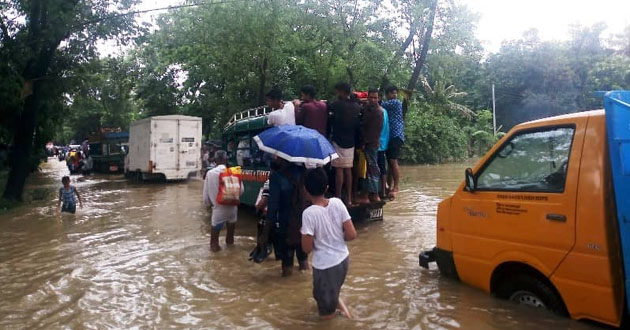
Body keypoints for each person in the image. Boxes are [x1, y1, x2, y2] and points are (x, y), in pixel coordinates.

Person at [301, 168, 357, 320]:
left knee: (326, 315)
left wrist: (305, 234)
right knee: (323, 294)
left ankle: (347, 320)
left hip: (326, 266)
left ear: (305, 190)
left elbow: (306, 249)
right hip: (343, 260)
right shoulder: (337, 203)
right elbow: (352, 234)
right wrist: (335, 237)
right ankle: (347, 315)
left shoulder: (309, 214)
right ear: (326, 187)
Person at [267, 157, 309, 276]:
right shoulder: (303, 172)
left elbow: (272, 207)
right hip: (303, 225)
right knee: (304, 262)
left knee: (287, 267)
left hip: (285, 227)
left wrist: (266, 233)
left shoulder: (277, 177)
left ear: (282, 157)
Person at [203, 150, 244, 252]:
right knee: (230, 240)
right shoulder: (233, 172)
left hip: (218, 209)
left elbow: (206, 195)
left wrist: (208, 205)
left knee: (214, 243)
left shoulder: (211, 173)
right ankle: (231, 257)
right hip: (232, 209)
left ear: (215, 160)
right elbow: (242, 190)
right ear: (226, 159)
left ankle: (217, 263)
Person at [329, 82, 361, 206]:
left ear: (341, 91)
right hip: (351, 142)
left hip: (338, 140)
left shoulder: (336, 105)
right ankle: (348, 198)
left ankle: (337, 197)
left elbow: (329, 107)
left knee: (339, 170)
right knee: (348, 170)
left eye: (338, 91)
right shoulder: (356, 106)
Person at [359, 89, 384, 203]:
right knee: (370, 168)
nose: (373, 100)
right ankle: (372, 194)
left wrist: (365, 143)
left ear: (378, 98)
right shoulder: (368, 108)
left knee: (371, 169)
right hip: (370, 143)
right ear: (368, 98)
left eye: (375, 98)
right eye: (371, 97)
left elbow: (374, 131)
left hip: (371, 143)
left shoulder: (378, 112)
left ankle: (370, 195)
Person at [382, 85, 404, 198]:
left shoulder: (395, 103)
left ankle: (396, 187)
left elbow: (379, 104)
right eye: (392, 93)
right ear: (387, 94)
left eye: (395, 93)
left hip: (396, 136)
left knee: (393, 162)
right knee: (390, 163)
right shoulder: (391, 104)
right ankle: (389, 187)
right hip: (390, 136)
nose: (394, 95)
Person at [378, 97, 390, 199]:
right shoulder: (385, 111)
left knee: (375, 168)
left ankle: (379, 191)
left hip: (377, 144)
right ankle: (383, 191)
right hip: (384, 143)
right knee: (383, 168)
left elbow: (379, 127)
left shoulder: (379, 112)